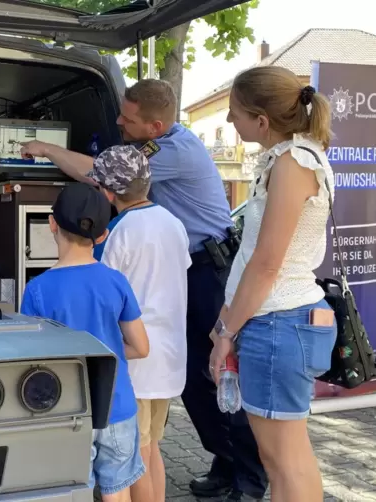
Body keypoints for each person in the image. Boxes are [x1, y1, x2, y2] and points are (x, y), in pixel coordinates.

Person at [21, 79, 268, 501]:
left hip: (210, 272)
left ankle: (249, 479)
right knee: (192, 384)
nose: (118, 121)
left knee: (219, 373)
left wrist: (46, 149)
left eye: (128, 118)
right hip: (188, 272)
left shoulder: (170, 153)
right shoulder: (162, 210)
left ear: (155, 127)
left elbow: (95, 172)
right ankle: (226, 462)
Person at [208, 66, 338, 502]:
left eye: (234, 113)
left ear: (261, 120)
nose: (229, 122)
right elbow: (256, 261)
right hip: (279, 320)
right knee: (284, 457)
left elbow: (266, 265)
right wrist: (226, 320)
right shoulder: (293, 158)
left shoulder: (293, 162)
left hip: (280, 321)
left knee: (285, 460)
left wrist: (227, 332)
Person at [19, 182, 150, 502]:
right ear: (103, 236)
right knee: (117, 493)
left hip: (65, 411)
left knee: (72, 493)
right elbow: (142, 347)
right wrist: (110, 354)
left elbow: (29, 357)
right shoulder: (116, 282)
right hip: (117, 408)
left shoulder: (37, 289)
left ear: (51, 224)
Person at [89, 145, 191, 502]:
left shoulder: (119, 231)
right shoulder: (174, 223)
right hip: (169, 357)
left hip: (135, 361)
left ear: (106, 191)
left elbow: (106, 291)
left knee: (137, 457)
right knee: (153, 449)